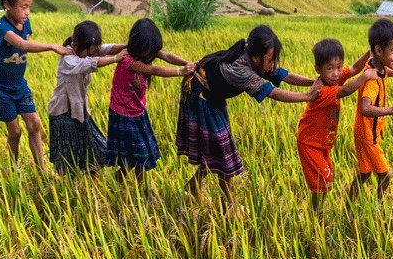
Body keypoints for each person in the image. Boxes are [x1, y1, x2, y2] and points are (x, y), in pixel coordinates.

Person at [177, 24, 319, 209]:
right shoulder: (241, 70)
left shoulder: (255, 57)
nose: (271, 65)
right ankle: (231, 205)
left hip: (212, 96)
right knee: (223, 152)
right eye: (269, 60)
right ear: (256, 57)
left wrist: (314, 82)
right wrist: (308, 96)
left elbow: (283, 75)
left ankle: (193, 186)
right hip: (201, 97)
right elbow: (273, 93)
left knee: (214, 147)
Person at [0, 0, 72, 169]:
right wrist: (52, 46)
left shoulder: (25, 23)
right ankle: (12, 167)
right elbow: (23, 44)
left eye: (29, 7)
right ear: (7, 5)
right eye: (23, 7)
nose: (27, 12)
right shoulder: (1, 28)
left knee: (34, 124)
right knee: (15, 132)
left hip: (19, 84)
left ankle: (42, 169)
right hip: (0, 87)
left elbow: (27, 40)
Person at [106, 18, 193, 182]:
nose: (151, 55)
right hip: (124, 115)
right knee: (137, 156)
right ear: (138, 46)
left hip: (137, 112)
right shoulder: (128, 61)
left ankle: (125, 183)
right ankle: (131, 185)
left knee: (137, 156)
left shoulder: (144, 51)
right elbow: (155, 69)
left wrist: (189, 63)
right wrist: (181, 72)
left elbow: (166, 55)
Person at [297, 42, 377, 212]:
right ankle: (316, 213)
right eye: (330, 68)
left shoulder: (334, 78)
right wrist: (365, 76)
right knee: (322, 180)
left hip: (322, 142)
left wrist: (369, 52)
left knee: (326, 179)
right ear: (318, 69)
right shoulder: (321, 90)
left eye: (339, 67)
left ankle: (317, 210)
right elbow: (345, 91)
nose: (336, 73)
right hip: (310, 143)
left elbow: (354, 68)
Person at [47, 20, 126, 175]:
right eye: (93, 49)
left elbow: (107, 49)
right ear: (80, 45)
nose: (95, 51)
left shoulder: (85, 49)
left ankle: (89, 181)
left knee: (97, 151)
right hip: (63, 114)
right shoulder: (68, 59)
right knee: (68, 161)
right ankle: (70, 186)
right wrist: (116, 58)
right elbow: (91, 63)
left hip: (80, 112)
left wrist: (128, 46)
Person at [348, 18, 393, 204]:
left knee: (365, 174)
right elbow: (365, 108)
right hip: (368, 136)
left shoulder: (377, 66)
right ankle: (379, 207)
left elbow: (385, 72)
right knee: (385, 175)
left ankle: (349, 206)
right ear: (378, 50)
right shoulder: (371, 80)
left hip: (366, 132)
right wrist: (391, 110)